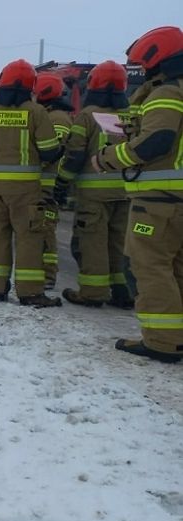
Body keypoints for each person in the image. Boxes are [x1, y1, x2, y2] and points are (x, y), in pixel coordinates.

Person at [96, 26, 183, 363]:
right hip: (174, 202)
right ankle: (176, 337)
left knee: (148, 266)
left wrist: (108, 157)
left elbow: (155, 143)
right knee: (175, 269)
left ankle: (162, 341)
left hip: (158, 202)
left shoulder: (165, 93)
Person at [0, 59, 63, 307]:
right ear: (31, 86)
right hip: (25, 192)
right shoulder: (36, 112)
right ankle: (30, 292)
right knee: (29, 239)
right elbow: (50, 151)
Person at [53, 60, 132, 308]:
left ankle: (93, 293)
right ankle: (123, 292)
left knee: (92, 242)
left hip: (94, 195)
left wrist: (61, 183)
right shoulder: (131, 116)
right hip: (127, 192)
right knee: (119, 242)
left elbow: (74, 155)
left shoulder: (87, 116)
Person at [34, 72, 74, 288]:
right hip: (42, 187)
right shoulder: (50, 115)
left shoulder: (57, 118)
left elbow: (53, 151)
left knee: (45, 232)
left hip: (48, 188)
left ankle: (48, 276)